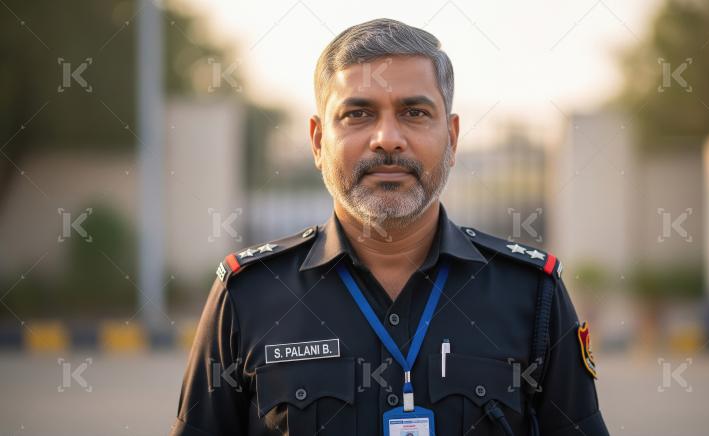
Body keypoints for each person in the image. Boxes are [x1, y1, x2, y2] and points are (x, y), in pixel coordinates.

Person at [170, 18, 609, 436]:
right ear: (319, 141)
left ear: (452, 138)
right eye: (358, 114)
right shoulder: (248, 296)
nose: (387, 138)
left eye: (414, 113)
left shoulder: (533, 295)